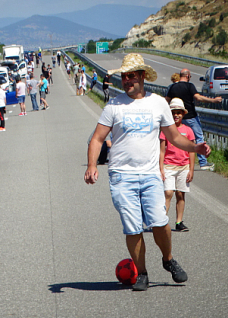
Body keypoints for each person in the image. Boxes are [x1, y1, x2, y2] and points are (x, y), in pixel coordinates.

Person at [84, 54, 211, 291]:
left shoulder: (158, 103)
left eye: (131, 75)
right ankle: (141, 273)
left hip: (152, 174)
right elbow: (97, 138)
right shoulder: (114, 105)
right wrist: (92, 165)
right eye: (124, 76)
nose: (127, 80)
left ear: (142, 76)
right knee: (132, 227)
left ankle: (168, 259)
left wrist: (195, 147)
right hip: (122, 176)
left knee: (160, 221)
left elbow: (174, 137)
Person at [166, 68, 222, 171]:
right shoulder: (190, 86)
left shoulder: (173, 87)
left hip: (177, 118)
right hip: (191, 116)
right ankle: (203, 162)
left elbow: (166, 100)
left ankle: (177, 160)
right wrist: (213, 100)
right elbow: (198, 98)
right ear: (187, 76)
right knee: (199, 138)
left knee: (177, 138)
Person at [159, 98, 195, 232]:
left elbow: (191, 151)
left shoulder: (188, 131)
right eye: (173, 112)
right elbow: (162, 150)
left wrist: (191, 169)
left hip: (183, 166)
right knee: (168, 193)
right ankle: (162, 221)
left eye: (179, 112)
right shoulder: (165, 131)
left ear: (183, 114)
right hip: (168, 165)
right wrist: (161, 168)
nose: (176, 115)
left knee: (180, 194)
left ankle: (179, 221)